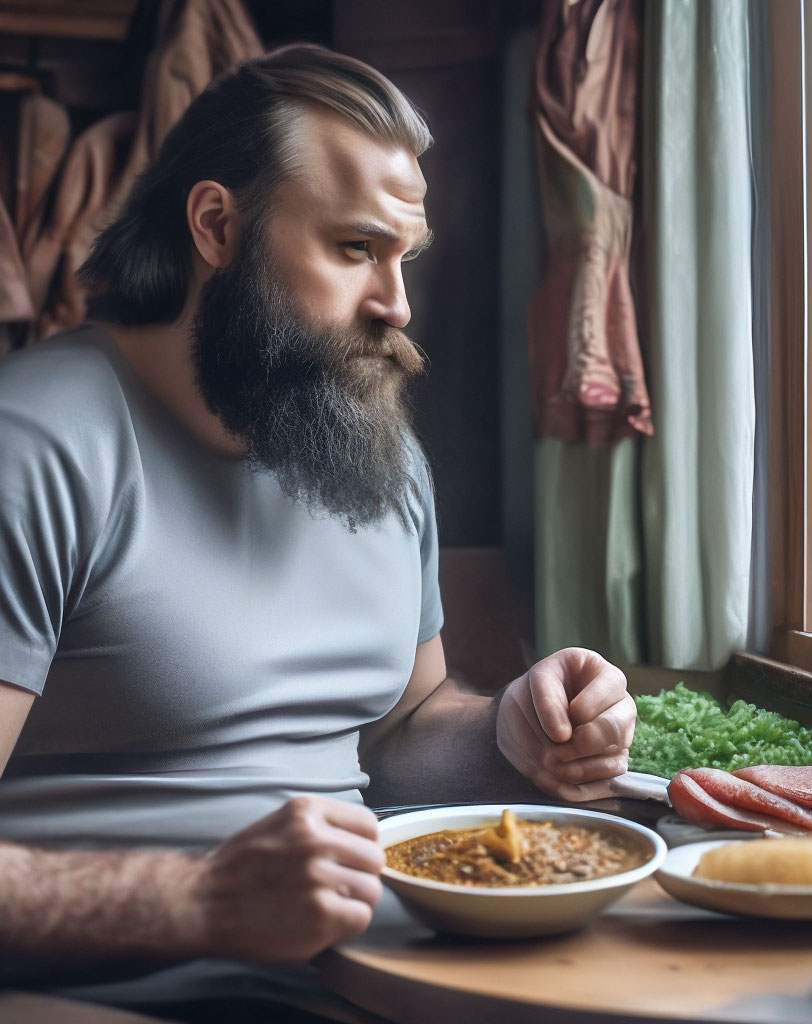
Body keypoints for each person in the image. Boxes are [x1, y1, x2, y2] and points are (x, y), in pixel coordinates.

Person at [0, 43, 635, 1013]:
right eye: (353, 248)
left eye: (402, 257)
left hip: (376, 973)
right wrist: (200, 898)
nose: (397, 303)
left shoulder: (369, 446)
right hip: (120, 994)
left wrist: (512, 731)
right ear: (218, 224)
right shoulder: (35, 448)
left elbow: (401, 730)